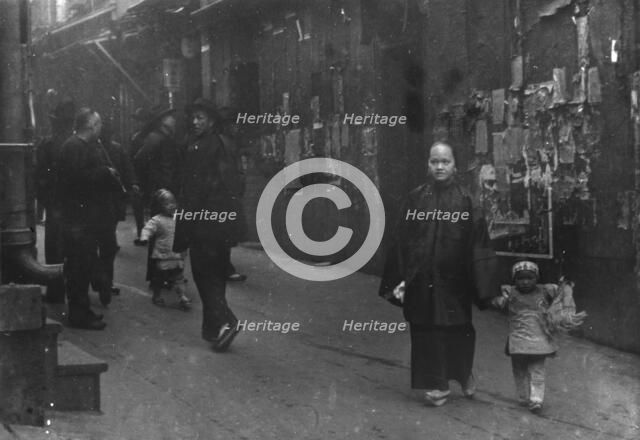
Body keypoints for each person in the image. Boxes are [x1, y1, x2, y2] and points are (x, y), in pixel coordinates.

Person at [379, 141, 499, 406]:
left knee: (458, 330)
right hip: (421, 279)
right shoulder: (415, 198)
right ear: (428, 165)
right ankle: (438, 384)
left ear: (455, 165)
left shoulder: (467, 201)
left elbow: (478, 243)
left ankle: (463, 374)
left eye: (445, 161)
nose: (440, 166)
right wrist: (399, 279)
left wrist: (484, 286)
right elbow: (401, 240)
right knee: (425, 330)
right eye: (435, 161)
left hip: (455, 281)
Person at [174, 98, 244, 352]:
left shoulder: (205, 146)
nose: (195, 122)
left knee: (204, 275)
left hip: (205, 222)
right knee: (215, 274)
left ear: (211, 120)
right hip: (219, 222)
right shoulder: (220, 144)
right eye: (192, 117)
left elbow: (202, 189)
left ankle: (228, 320)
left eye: (200, 118)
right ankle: (213, 329)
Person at [57, 107, 124, 330]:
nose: (101, 127)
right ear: (91, 126)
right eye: (99, 124)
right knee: (78, 268)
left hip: (85, 218)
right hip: (77, 220)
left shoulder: (84, 146)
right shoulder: (74, 147)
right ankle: (78, 315)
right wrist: (104, 173)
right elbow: (75, 181)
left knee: (83, 266)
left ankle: (83, 311)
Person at [492, 261, 587, 414]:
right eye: (520, 278)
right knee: (519, 370)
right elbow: (497, 303)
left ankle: (536, 399)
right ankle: (523, 396)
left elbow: (562, 292)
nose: (525, 282)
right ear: (514, 280)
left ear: (536, 278)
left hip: (539, 341)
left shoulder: (545, 291)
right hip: (518, 341)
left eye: (529, 278)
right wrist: (499, 300)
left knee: (537, 370)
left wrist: (566, 284)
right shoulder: (510, 293)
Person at [36, 98, 75, 304]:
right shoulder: (80, 143)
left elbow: (39, 175)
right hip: (77, 205)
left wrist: (44, 200)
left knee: (54, 249)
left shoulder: (48, 143)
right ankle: (77, 291)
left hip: (55, 205)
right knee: (76, 248)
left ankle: (56, 291)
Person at [96, 118, 139, 299]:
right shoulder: (113, 148)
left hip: (102, 203)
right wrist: (132, 185)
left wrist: (132, 183)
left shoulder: (97, 148)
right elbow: (128, 170)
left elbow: (127, 169)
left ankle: (103, 282)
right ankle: (105, 282)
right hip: (109, 203)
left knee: (104, 244)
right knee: (107, 244)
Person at [140, 189, 191, 310]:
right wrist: (144, 237)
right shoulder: (157, 220)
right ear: (160, 206)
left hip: (177, 255)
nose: (171, 205)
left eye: (173, 202)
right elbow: (148, 228)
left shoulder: (179, 217)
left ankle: (182, 296)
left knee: (179, 278)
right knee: (159, 278)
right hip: (163, 255)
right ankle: (157, 295)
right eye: (167, 203)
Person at [217, 107, 248, 282]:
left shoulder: (229, 142)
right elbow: (225, 171)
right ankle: (225, 268)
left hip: (229, 193)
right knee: (224, 232)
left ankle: (224, 267)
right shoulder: (224, 143)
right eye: (234, 124)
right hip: (225, 194)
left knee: (225, 232)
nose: (237, 127)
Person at [129, 107, 151, 245]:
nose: (138, 124)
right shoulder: (137, 136)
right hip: (144, 176)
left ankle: (143, 234)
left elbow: (132, 158)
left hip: (143, 176)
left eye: (140, 121)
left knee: (141, 208)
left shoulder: (137, 137)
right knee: (141, 208)